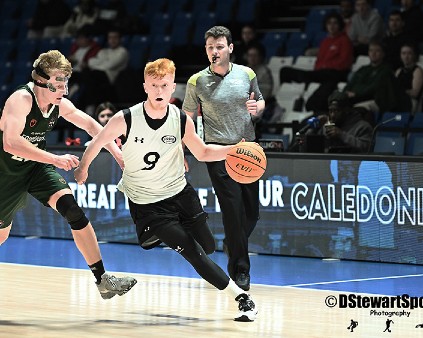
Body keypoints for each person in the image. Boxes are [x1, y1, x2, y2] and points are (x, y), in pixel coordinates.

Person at [74, 58, 258, 322]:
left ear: (173, 88)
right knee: (192, 252)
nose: (159, 91)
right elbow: (97, 142)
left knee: (207, 246)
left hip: (180, 194)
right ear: (145, 87)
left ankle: (162, 235)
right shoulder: (125, 118)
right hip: (147, 203)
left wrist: (234, 150)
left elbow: (203, 152)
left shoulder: (181, 119)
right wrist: (83, 168)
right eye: (154, 85)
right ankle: (242, 298)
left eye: (164, 85)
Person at [0, 50, 137, 299]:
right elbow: (10, 142)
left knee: (72, 210)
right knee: (2, 234)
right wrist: (55, 158)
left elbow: (91, 125)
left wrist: (117, 154)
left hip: (35, 168)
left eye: (66, 80)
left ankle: (102, 279)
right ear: (41, 80)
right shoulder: (21, 99)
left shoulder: (59, 104)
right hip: (5, 172)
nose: (64, 87)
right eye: (58, 81)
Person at [182, 26, 265, 291]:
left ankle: (233, 242)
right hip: (217, 153)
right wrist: (184, 150)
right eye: (210, 47)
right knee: (233, 210)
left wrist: (257, 108)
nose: (214, 51)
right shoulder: (196, 81)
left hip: (248, 151)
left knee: (251, 213)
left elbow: (260, 102)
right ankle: (240, 271)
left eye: (219, 46)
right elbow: (187, 119)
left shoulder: (247, 74)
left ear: (230, 48)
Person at [280, 12, 354, 114]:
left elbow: (344, 62)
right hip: (321, 73)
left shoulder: (345, 40)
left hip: (336, 73)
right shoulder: (325, 42)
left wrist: (326, 66)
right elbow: (319, 61)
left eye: (335, 23)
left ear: (340, 25)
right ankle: (280, 101)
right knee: (285, 71)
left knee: (327, 80)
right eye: (329, 23)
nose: (332, 26)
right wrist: (321, 67)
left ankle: (305, 82)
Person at [305, 90, 373, 153]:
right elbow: (309, 147)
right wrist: (314, 129)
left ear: (347, 110)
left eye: (337, 111)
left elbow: (366, 148)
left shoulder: (362, 127)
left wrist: (341, 135)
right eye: (330, 111)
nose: (333, 115)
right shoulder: (328, 124)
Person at [395, 42, 423, 113]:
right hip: (398, 99)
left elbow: (415, 93)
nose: (406, 56)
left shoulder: (418, 71)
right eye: (403, 53)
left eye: (409, 53)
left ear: (414, 55)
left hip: (411, 102)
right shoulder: (399, 71)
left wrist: (400, 92)